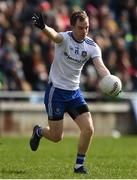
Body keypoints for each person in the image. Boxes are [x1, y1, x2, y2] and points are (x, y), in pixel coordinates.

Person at [30, 10, 111, 174]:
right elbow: (54, 35)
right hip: (56, 93)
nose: (84, 31)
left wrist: (110, 79)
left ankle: (79, 166)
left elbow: (100, 66)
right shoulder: (65, 39)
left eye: (87, 27)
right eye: (81, 28)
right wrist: (44, 27)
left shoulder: (91, 46)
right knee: (56, 137)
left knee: (88, 129)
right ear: (72, 26)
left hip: (74, 94)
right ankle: (38, 131)